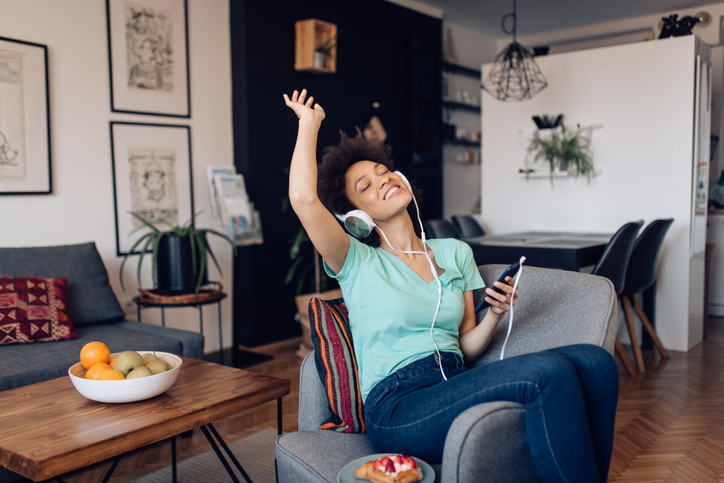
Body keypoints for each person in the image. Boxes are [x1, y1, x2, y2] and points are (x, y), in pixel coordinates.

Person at [284, 89, 618, 483]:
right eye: (366, 186)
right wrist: (309, 124)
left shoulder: (455, 252)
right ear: (357, 215)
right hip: (396, 405)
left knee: (597, 363)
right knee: (547, 372)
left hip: (453, 380)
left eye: (382, 171)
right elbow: (304, 199)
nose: (383, 179)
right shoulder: (356, 259)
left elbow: (466, 347)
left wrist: (494, 314)